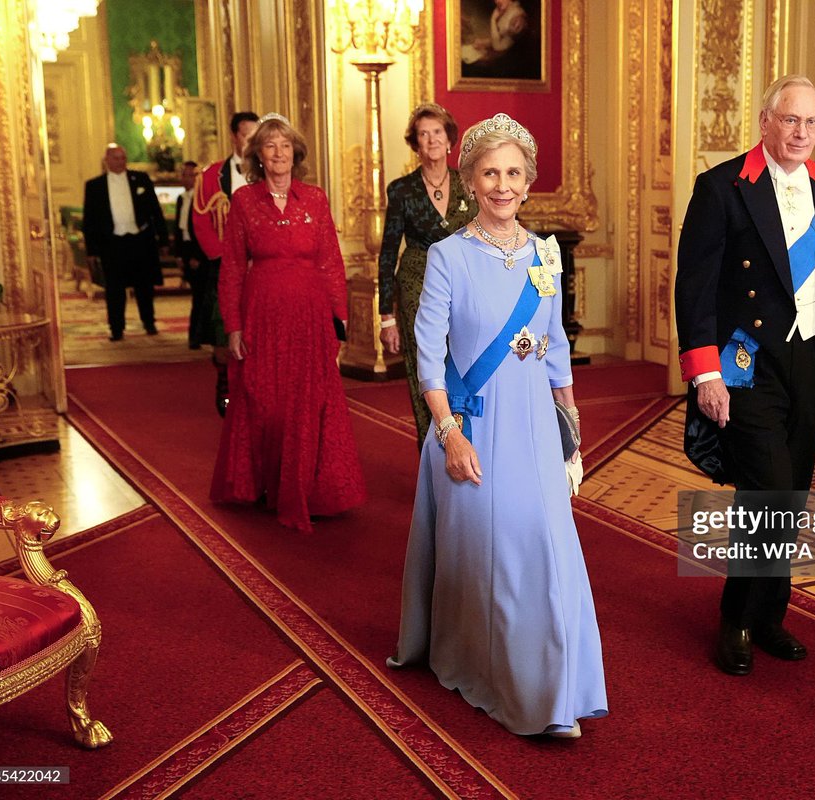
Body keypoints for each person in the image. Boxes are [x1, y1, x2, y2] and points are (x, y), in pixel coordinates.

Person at [388, 113, 607, 738]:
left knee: (549, 549)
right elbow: (426, 353)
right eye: (490, 173)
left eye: (513, 173)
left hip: (537, 422)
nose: (502, 185)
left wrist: (572, 424)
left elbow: (555, 343)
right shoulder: (448, 256)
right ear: (471, 181)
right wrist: (448, 433)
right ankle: (482, 668)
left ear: (528, 181)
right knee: (494, 557)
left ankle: (555, 689)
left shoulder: (546, 253)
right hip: (474, 425)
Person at [674, 75, 815, 676]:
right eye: (790, 120)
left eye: (811, 122)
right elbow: (695, 288)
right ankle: (735, 618)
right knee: (769, 493)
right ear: (765, 121)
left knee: (794, 495)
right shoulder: (722, 188)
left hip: (810, 359)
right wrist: (705, 373)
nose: (801, 133)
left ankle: (770, 616)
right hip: (746, 361)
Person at [209, 113, 365, 533]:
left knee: (310, 400)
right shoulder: (243, 201)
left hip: (310, 315)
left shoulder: (315, 198)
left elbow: (331, 261)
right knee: (266, 402)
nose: (278, 153)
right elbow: (232, 268)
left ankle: (311, 488)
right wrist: (234, 325)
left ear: (296, 153)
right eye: (269, 146)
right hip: (261, 314)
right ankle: (267, 484)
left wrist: (341, 320)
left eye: (284, 146)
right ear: (257, 155)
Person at [378, 103, 475, 445]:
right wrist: (386, 317)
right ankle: (432, 457)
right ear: (415, 144)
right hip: (416, 286)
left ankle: (468, 446)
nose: (431, 140)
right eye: (423, 134)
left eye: (437, 132)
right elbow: (388, 251)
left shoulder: (469, 183)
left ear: (449, 139)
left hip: (465, 289)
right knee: (426, 374)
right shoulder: (401, 190)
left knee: (465, 369)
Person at [193, 111, 260, 415]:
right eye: (247, 134)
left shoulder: (267, 171)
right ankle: (224, 382)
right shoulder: (211, 176)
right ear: (234, 136)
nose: (251, 141)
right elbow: (201, 220)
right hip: (224, 265)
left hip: (260, 265)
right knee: (223, 330)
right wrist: (223, 257)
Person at [81, 144, 169, 341]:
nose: (120, 162)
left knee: (144, 286)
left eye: (123, 158)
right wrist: (91, 250)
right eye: (115, 158)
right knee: (114, 288)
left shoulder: (141, 179)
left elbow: (156, 211)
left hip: (140, 240)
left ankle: (149, 322)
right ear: (107, 160)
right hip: (112, 243)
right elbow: (90, 220)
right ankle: (116, 328)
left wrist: (162, 240)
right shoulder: (94, 186)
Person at [174, 161, 209, 349]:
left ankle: (196, 336)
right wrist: (179, 255)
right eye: (185, 175)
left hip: (199, 253)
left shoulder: (203, 199)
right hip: (187, 251)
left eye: (191, 175)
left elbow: (203, 230)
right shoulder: (181, 198)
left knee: (200, 296)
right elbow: (180, 229)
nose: (187, 179)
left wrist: (198, 255)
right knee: (196, 295)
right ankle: (195, 335)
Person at [460, 0, 539, 80]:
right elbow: (496, 39)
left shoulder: (517, 20)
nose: (496, 1)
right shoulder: (508, 9)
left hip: (502, 62)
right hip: (491, 49)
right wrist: (483, 43)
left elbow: (498, 46)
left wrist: (493, 20)